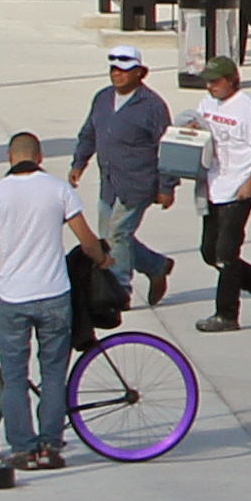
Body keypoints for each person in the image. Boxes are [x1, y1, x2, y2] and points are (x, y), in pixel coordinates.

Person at [0, 132, 106, 471]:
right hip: (54, 294)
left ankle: (22, 449)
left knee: (14, 376)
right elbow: (86, 239)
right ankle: (49, 446)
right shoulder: (59, 189)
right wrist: (102, 260)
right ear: (40, 156)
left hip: (14, 296)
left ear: (9, 157)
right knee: (53, 372)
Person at [66, 43, 177, 308]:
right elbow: (89, 133)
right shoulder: (103, 98)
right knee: (112, 238)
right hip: (109, 183)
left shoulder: (152, 105)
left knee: (118, 234)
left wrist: (167, 186)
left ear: (140, 73)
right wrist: (79, 163)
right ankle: (156, 266)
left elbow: (168, 147)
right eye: (114, 69)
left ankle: (119, 291)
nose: (117, 75)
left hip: (137, 183)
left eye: (124, 70)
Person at [186, 55, 251, 333]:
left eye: (215, 82)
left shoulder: (248, 108)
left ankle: (226, 315)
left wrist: (250, 183)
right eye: (207, 82)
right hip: (214, 185)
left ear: (231, 80)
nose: (210, 87)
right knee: (209, 252)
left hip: (239, 190)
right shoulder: (207, 104)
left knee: (226, 253)